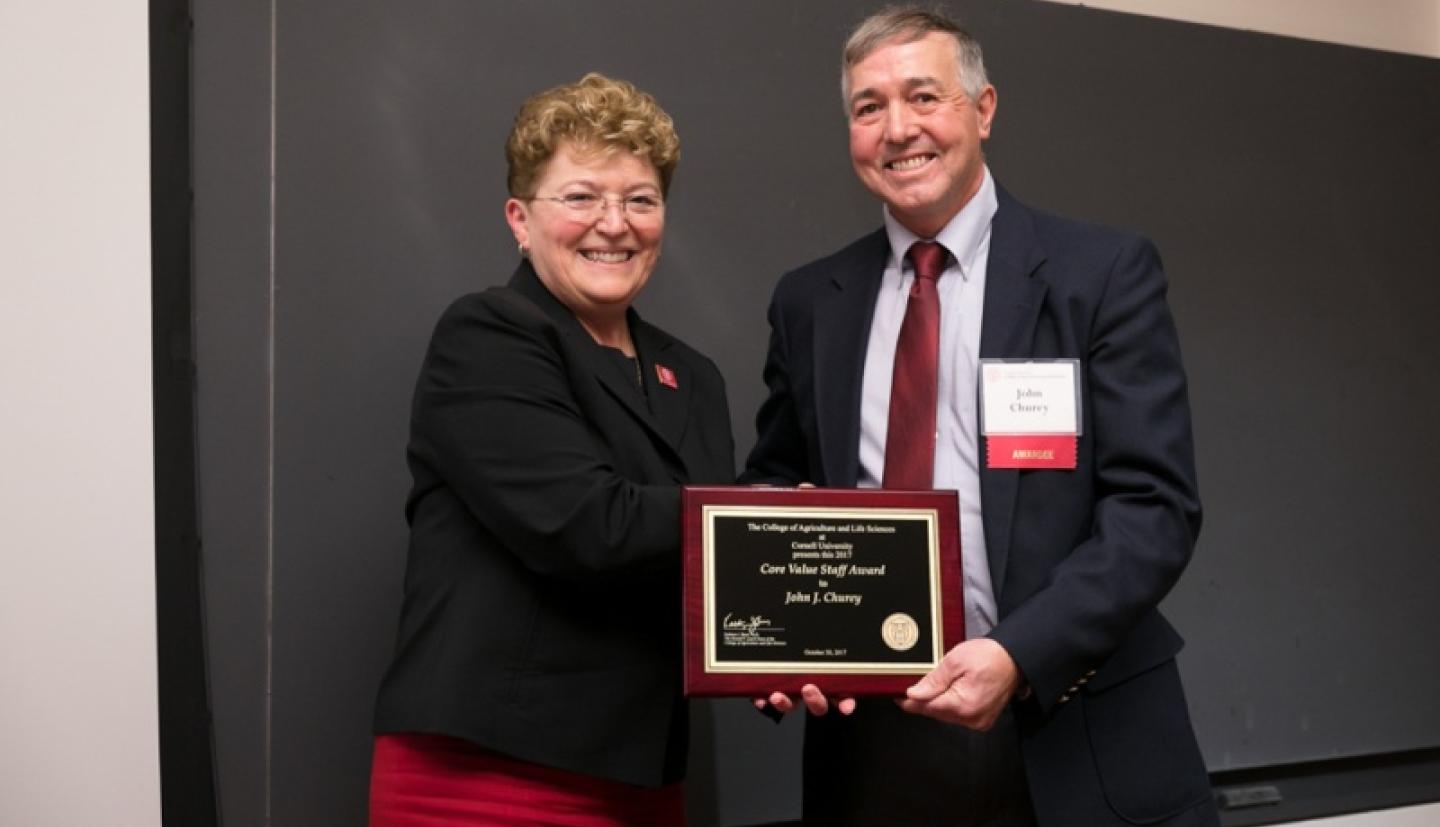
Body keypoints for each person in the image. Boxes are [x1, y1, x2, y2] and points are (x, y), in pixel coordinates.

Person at [743, 7, 1219, 827]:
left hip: (1071, 729)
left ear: (983, 108)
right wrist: (779, 635)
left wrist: (1016, 655)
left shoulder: (1098, 273)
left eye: (924, 97)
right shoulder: (809, 302)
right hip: (873, 751)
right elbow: (779, 485)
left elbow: (1154, 509)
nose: (898, 130)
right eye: (868, 107)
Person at [369, 72, 734, 827]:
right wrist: (764, 525)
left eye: (640, 198)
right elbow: (585, 522)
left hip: (644, 778)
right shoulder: (487, 336)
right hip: (487, 777)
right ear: (519, 219)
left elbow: (713, 571)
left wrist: (802, 627)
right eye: (580, 197)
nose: (614, 223)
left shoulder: (692, 376)